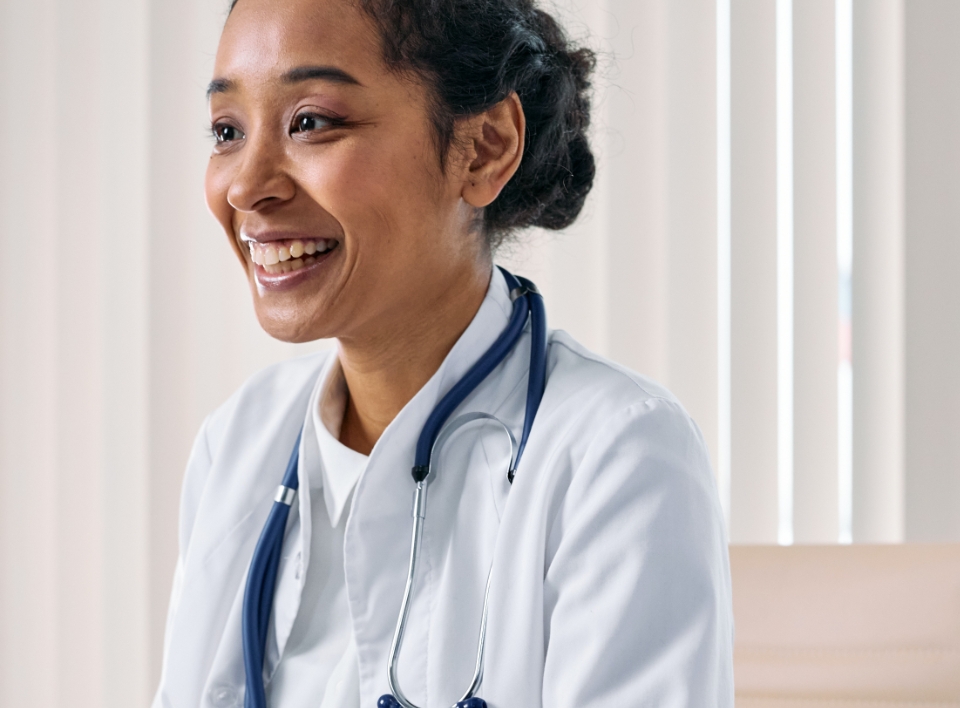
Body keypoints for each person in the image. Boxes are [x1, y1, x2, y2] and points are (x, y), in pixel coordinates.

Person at [152, 0, 734, 705]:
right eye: (226, 130)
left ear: (484, 148)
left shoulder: (615, 457)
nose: (246, 185)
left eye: (311, 121)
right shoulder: (237, 445)